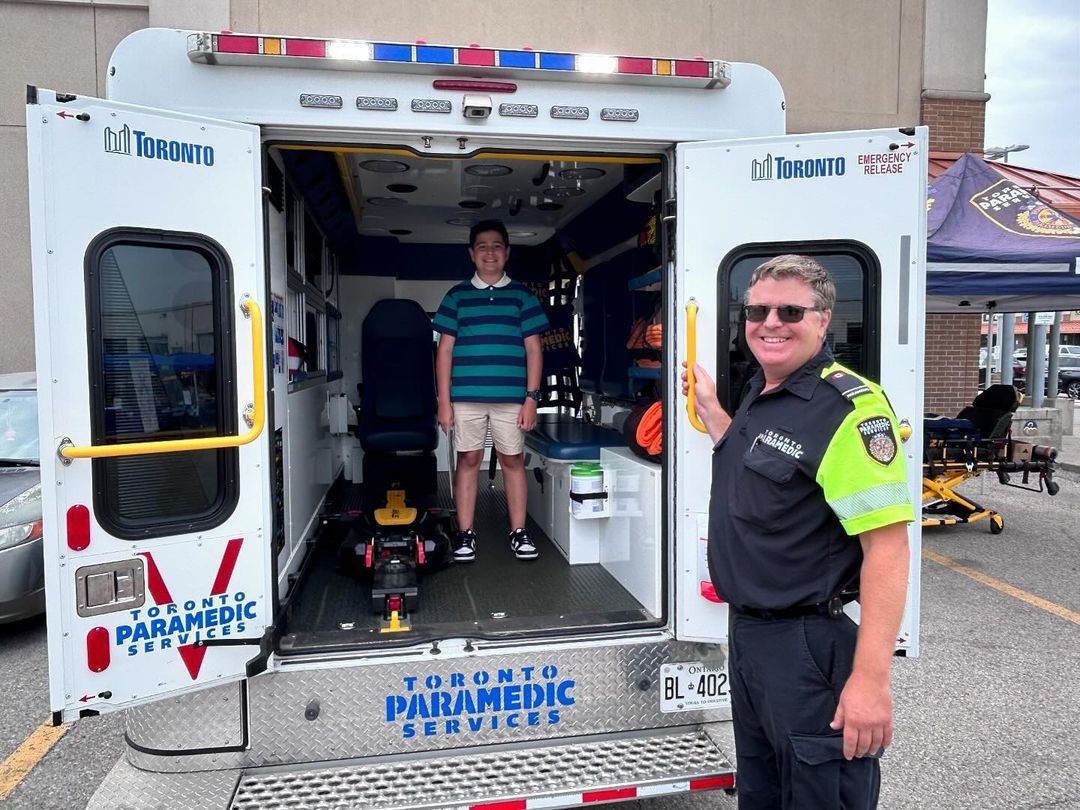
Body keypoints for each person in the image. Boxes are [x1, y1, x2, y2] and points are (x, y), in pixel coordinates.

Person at [682, 254, 913, 809]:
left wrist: (870, 681)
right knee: (761, 794)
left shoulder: (850, 410)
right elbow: (760, 465)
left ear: (823, 320)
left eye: (790, 310)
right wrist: (714, 412)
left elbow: (888, 549)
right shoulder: (761, 392)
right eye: (757, 309)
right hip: (752, 638)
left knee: (817, 796)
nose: (770, 322)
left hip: (808, 647)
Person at [434, 220, 550, 562]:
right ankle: (465, 533)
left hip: (513, 400)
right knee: (468, 459)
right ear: (472, 254)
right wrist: (444, 402)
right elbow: (444, 351)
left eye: (497, 246)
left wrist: (532, 398)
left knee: (512, 460)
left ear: (507, 252)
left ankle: (519, 531)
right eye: (482, 246)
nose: (490, 252)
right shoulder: (456, 296)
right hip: (465, 398)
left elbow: (534, 351)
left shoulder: (523, 297)